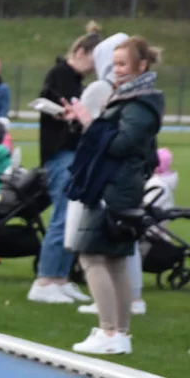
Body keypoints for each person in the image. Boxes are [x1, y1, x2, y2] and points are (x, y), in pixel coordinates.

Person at [63, 36, 164, 355]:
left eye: (122, 64)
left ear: (142, 66)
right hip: (119, 184)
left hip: (116, 187)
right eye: (113, 64)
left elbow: (122, 144)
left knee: (91, 254)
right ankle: (119, 333)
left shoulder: (141, 101)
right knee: (116, 257)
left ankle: (109, 331)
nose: (116, 70)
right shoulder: (131, 97)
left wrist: (90, 123)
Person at [28, 22, 102, 305]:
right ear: (81, 52)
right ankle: (45, 278)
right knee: (63, 215)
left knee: (73, 216)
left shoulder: (77, 81)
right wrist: (66, 115)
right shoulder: (60, 74)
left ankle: (60, 277)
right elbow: (50, 103)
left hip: (72, 153)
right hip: (61, 154)